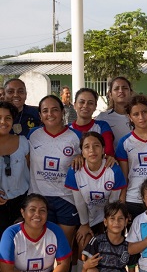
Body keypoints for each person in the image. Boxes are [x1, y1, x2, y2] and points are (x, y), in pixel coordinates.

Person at [64, 132, 127, 272]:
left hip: (107, 217)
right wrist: (84, 225)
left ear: (103, 150)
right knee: (84, 245)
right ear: (81, 152)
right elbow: (79, 201)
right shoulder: (75, 171)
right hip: (86, 217)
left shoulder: (112, 169)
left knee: (112, 248)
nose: (92, 150)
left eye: (96, 146)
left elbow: (114, 203)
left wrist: (108, 227)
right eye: (87, 147)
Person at [0, 194, 76, 272]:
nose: (37, 214)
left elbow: (65, 264)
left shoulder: (55, 230)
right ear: (23, 212)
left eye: (42, 211)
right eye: (32, 210)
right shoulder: (11, 233)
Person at [28, 95, 82, 245]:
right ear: (40, 115)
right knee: (43, 246)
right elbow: (26, 163)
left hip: (67, 198)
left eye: (54, 110)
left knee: (64, 245)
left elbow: (89, 159)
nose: (50, 114)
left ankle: (66, 270)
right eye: (45, 111)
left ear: (62, 112)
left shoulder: (76, 136)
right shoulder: (32, 135)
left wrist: (81, 157)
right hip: (39, 197)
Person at [82, 202, 138, 272]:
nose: (116, 222)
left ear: (126, 221)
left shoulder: (129, 246)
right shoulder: (97, 241)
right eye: (112, 218)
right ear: (105, 222)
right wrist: (86, 265)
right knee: (92, 271)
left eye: (120, 218)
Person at [97, 77, 147, 143]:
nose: (121, 91)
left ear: (131, 92)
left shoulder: (146, 116)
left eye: (124, 88)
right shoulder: (102, 118)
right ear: (110, 94)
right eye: (116, 89)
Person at [0, 101, 30, 237]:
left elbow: (30, 169)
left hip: (20, 202)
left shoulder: (23, 142)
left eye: (8, 118)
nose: (3, 121)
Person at [69, 88, 115, 156]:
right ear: (75, 105)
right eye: (82, 102)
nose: (85, 106)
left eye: (90, 103)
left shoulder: (102, 126)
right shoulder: (67, 129)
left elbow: (108, 153)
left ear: (95, 106)